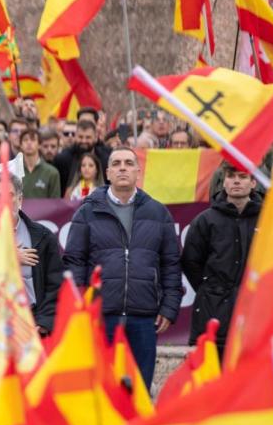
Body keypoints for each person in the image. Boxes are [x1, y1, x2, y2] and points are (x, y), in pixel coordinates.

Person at [63, 147, 183, 386]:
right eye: (116, 163)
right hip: (102, 317)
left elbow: (171, 263)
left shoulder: (158, 213)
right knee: (103, 390)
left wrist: (169, 307)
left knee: (139, 391)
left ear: (138, 171)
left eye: (129, 163)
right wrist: (81, 306)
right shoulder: (87, 212)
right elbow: (74, 262)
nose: (122, 168)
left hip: (143, 318)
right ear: (107, 172)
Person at [0, 173, 62, 368]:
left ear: (20, 199)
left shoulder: (42, 236)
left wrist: (42, 324)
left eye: (9, 195)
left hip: (29, 328)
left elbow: (55, 287)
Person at [181, 164, 261, 355]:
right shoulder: (205, 220)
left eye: (242, 177)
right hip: (213, 312)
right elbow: (191, 261)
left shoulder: (268, 218)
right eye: (231, 176)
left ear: (253, 183)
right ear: (223, 182)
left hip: (255, 310)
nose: (236, 181)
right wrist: (210, 288)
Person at [52, 119, 111, 189]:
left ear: (95, 138)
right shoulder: (62, 159)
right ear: (75, 136)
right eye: (80, 137)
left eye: (88, 137)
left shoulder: (105, 159)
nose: (84, 141)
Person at [17, 129, 61, 199]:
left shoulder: (52, 173)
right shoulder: (13, 171)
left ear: (39, 145)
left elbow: (55, 204)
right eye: (25, 140)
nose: (29, 143)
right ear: (20, 145)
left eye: (33, 140)